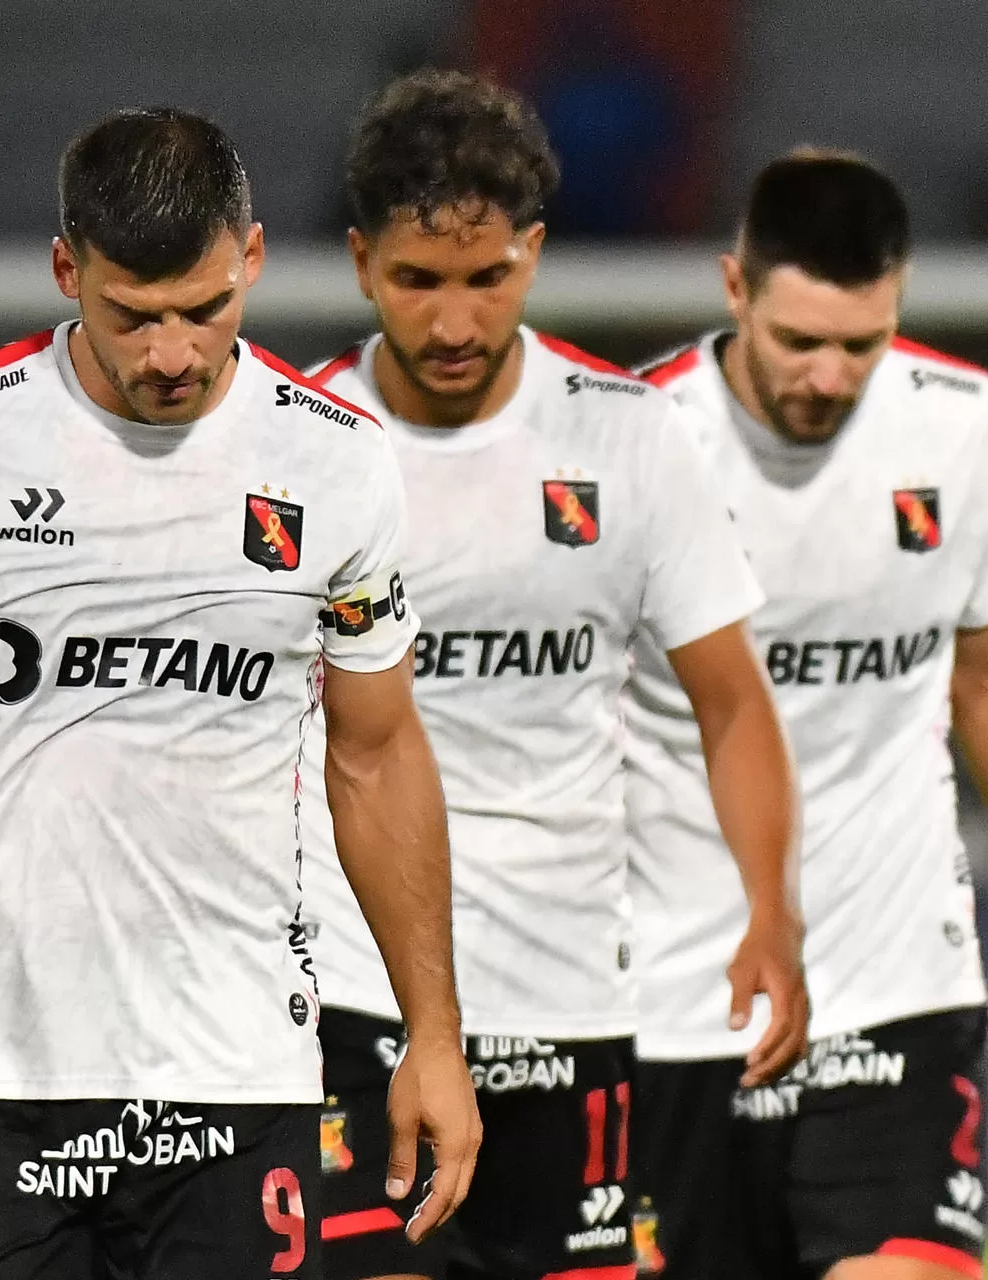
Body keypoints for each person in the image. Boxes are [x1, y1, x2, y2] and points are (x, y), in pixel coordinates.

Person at [0, 105, 482, 1280]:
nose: (171, 352)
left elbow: (378, 753)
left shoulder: (335, 460)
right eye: (133, 315)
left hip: (236, 1072)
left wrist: (435, 1033)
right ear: (68, 272)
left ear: (252, 259)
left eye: (205, 309)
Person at [295, 70, 806, 1280]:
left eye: (489, 277)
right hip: (347, 990)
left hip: (568, 988)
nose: (456, 321)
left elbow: (731, 699)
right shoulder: (299, 446)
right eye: (420, 280)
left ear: (534, 251)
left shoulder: (628, 436)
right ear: (363, 262)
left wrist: (772, 908)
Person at [627, 150, 988, 1280]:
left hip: (895, 977)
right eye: (799, 341)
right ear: (736, 290)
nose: (829, 376)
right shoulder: (630, 444)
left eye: (862, 345)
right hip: (674, 997)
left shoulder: (965, 425)